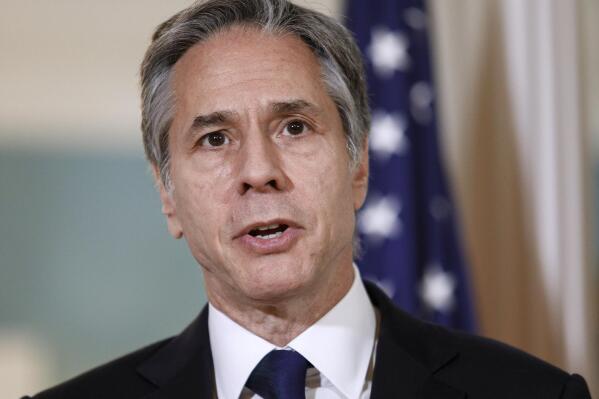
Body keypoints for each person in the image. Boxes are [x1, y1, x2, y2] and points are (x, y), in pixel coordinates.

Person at [25, 0, 592, 398]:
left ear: (359, 166)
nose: (258, 172)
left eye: (294, 127)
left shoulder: (534, 394)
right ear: (167, 196)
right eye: (214, 139)